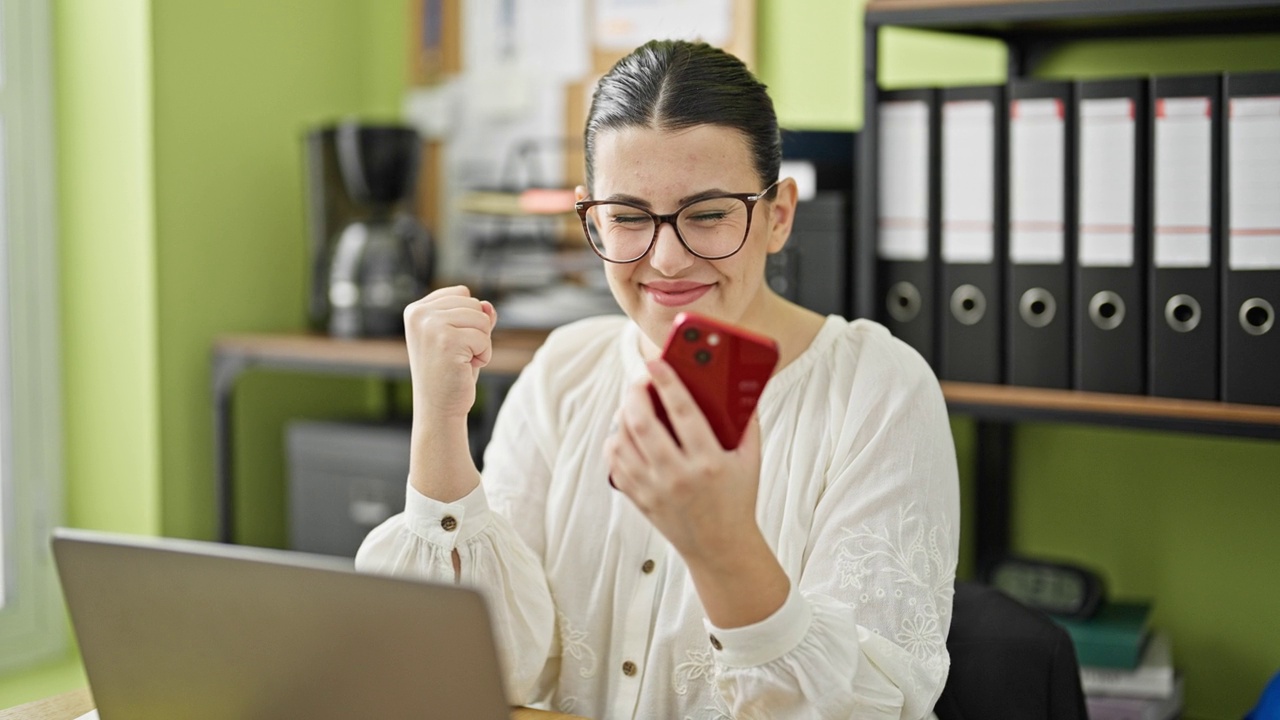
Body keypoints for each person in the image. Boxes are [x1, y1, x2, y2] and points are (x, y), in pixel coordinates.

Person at [356, 39, 960, 719]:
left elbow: (870, 708)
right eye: (629, 218)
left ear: (778, 215)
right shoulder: (566, 370)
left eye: (706, 215)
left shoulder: (876, 391)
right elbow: (479, 666)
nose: (667, 260)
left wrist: (724, 543)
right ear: (591, 216)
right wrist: (438, 425)